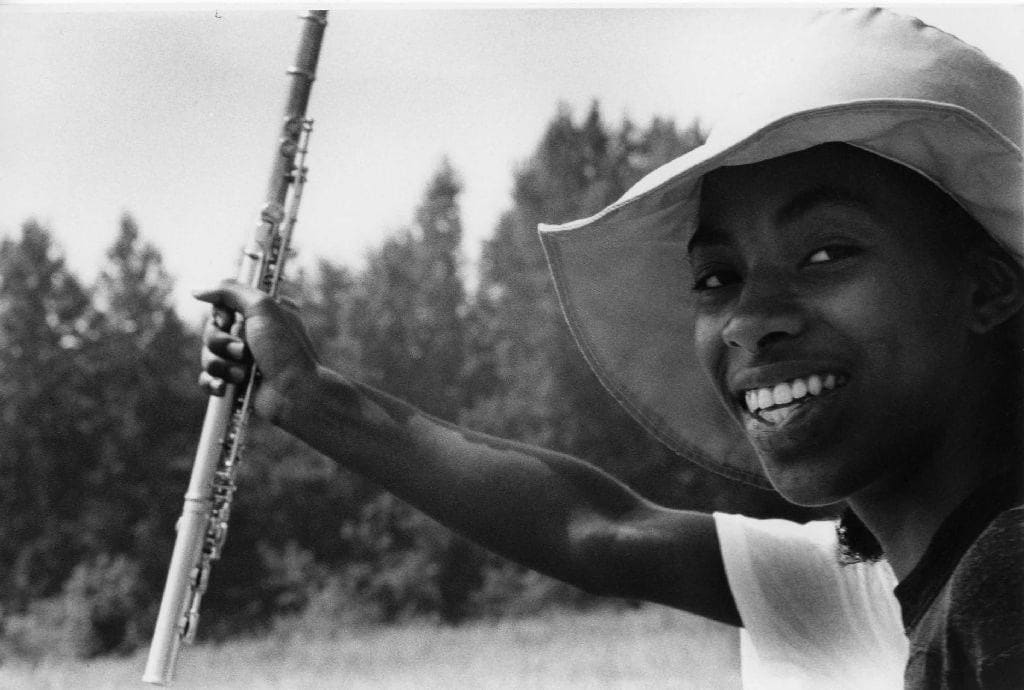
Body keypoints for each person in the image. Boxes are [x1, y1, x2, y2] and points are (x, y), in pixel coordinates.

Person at [196, 8, 1023, 689]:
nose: (748, 320)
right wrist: (307, 398)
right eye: (716, 278)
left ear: (989, 290)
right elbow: (595, 528)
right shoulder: (874, 582)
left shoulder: (1003, 586)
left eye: (824, 254)